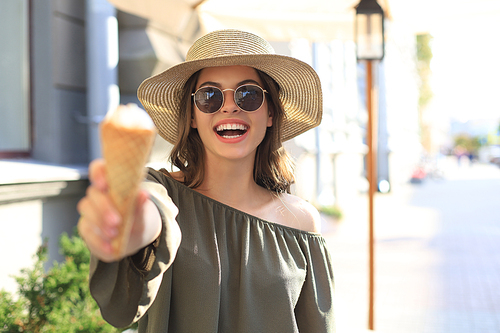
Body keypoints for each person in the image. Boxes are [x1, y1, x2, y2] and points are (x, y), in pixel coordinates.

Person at [77, 29, 335, 332]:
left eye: (248, 94)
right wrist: (131, 231)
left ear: (270, 114)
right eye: (209, 96)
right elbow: (152, 212)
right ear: (191, 116)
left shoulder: (301, 223)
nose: (229, 107)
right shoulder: (161, 191)